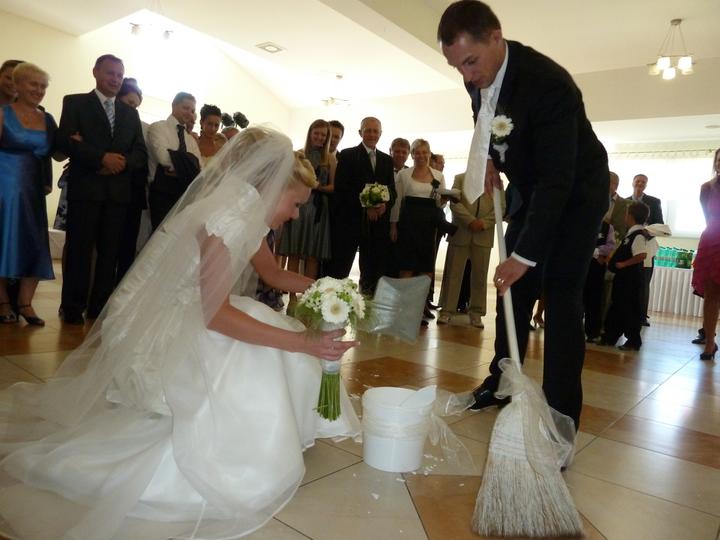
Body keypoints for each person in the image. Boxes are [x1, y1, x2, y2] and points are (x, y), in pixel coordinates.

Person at [0, 127, 361, 540]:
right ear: (270, 185)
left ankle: (274, 430)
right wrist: (303, 342)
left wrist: (330, 288)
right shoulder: (227, 217)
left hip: (191, 306)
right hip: (153, 323)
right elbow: (215, 316)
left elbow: (272, 274)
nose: (295, 215)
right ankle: (248, 445)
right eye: (294, 204)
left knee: (265, 324)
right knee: (261, 343)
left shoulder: (243, 207)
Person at [439, 0, 609, 429]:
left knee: (561, 294)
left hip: (577, 193)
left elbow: (558, 181)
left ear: (495, 37)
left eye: (470, 62)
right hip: (532, 189)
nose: (467, 76)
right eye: (457, 67)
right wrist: (488, 156)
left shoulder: (549, 84)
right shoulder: (477, 76)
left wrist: (524, 256)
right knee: (511, 290)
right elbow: (482, 115)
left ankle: (559, 416)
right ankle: (501, 383)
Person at [57, 54, 147, 325]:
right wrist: (101, 159)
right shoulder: (75, 103)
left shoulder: (130, 113)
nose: (115, 79)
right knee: (79, 250)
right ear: (95, 72)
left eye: (119, 75)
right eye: (110, 73)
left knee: (110, 253)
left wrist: (120, 163)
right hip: (86, 189)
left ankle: (99, 307)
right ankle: (72, 307)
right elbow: (65, 142)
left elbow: (140, 153)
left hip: (117, 194)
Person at [0, 62, 57, 326]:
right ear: (18, 84)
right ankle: (3, 302)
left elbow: (56, 152)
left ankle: (25, 303)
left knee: (34, 242)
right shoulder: (3, 114)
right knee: (4, 239)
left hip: (33, 190)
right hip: (4, 189)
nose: (39, 90)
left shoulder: (47, 119)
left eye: (43, 86)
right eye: (33, 84)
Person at [329, 116, 396, 294]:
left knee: (372, 270)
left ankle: (366, 303)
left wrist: (384, 205)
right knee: (341, 268)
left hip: (377, 225)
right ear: (360, 132)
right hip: (350, 222)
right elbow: (342, 188)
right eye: (368, 130)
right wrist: (366, 206)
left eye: (375, 131)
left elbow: (392, 190)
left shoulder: (387, 160)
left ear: (380, 134)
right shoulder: (347, 155)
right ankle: (334, 302)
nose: (372, 134)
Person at [278, 119, 334, 311]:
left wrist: (317, 186)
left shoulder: (330, 159)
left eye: (323, 135)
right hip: (299, 207)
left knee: (312, 255)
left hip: (318, 210)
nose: (320, 137)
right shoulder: (300, 154)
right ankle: (292, 296)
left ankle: (307, 296)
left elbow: (333, 187)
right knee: (294, 252)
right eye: (316, 133)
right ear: (310, 133)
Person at [390, 139, 446, 325]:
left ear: (429, 153)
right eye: (417, 152)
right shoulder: (404, 175)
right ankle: (404, 309)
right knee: (406, 267)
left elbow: (439, 203)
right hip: (408, 224)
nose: (421, 156)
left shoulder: (438, 175)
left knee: (425, 269)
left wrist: (445, 200)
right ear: (412, 154)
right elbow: (397, 202)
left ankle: (418, 310)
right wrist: (393, 225)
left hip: (428, 227)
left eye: (424, 152)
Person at [437, 172, 501, 328]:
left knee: (480, 276)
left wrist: (483, 223)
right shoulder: (460, 178)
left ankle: (476, 313)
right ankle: (447, 311)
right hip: (462, 232)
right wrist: (470, 221)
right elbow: (454, 203)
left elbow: (501, 207)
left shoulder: (496, 182)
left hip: (483, 234)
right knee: (453, 273)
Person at [147, 91, 202, 229]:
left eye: (192, 110)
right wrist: (188, 164)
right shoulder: (158, 127)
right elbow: (163, 158)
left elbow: (199, 167)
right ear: (174, 105)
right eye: (185, 108)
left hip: (184, 196)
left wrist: (177, 164)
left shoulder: (190, 140)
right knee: (159, 235)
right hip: (162, 194)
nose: (189, 113)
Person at [600, 202, 649, 351]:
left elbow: (641, 255)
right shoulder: (631, 234)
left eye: (627, 214)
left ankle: (633, 340)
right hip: (623, 279)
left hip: (630, 279)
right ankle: (610, 337)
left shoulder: (638, 235)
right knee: (618, 307)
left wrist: (624, 264)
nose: (625, 217)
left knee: (629, 309)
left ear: (631, 216)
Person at [115, 77, 149, 283]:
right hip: (110, 188)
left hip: (133, 190)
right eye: (129, 103)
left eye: (136, 106)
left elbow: (142, 156)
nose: (132, 109)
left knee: (128, 245)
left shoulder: (141, 127)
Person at [692, 148, 720, 361]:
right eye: (719, 160)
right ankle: (710, 342)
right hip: (712, 240)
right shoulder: (706, 188)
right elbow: (707, 216)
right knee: (711, 295)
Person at [628, 173, 663, 326]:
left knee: (643, 283)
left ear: (646, 185)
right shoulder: (624, 201)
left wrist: (645, 233)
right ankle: (625, 313)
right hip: (628, 246)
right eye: (638, 181)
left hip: (647, 246)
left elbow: (660, 224)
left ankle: (641, 316)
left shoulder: (654, 202)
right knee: (627, 281)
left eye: (643, 182)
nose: (640, 184)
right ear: (633, 183)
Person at [583, 218, 615, 342]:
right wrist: (594, 251)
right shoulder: (582, 222)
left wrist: (596, 251)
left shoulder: (607, 227)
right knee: (577, 298)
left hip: (596, 267)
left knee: (594, 299)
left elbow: (610, 246)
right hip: (580, 265)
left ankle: (592, 332)